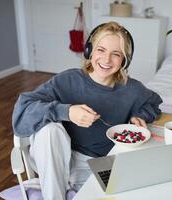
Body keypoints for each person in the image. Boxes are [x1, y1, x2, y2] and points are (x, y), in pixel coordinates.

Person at [12, 21, 163, 200]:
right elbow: (23, 110)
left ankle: (68, 185)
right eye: (101, 50)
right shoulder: (67, 80)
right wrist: (66, 112)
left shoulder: (132, 89)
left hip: (97, 165)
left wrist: (140, 115)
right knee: (49, 130)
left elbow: (154, 103)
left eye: (116, 54)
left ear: (125, 60)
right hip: (54, 159)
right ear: (89, 51)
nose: (106, 60)